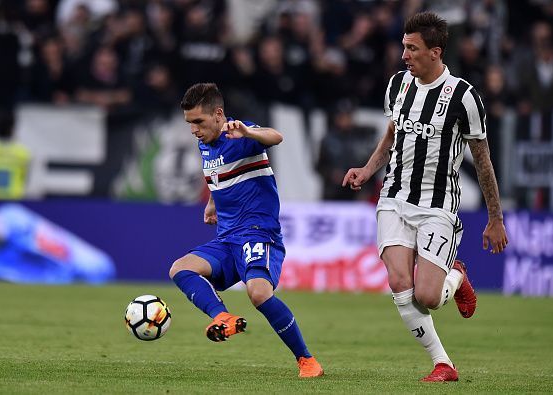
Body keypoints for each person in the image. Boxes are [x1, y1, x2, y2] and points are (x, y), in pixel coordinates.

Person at [342, 12, 508, 382]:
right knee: (400, 284)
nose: (404, 55)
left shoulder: (464, 98)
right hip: (393, 198)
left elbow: (482, 161)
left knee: (428, 296)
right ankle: (443, 364)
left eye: (412, 48)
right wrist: (369, 170)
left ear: (435, 52)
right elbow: (391, 134)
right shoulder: (398, 84)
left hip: (437, 207)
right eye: (403, 46)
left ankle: (456, 278)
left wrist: (495, 218)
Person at [168, 83, 324, 378]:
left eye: (198, 122)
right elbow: (219, 175)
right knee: (181, 269)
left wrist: (250, 132)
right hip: (227, 239)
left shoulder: (239, 134)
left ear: (218, 114)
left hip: (258, 233)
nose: (194, 130)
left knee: (258, 293)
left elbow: (276, 136)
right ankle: (222, 316)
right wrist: (213, 202)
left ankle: (307, 360)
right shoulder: (205, 145)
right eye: (189, 123)